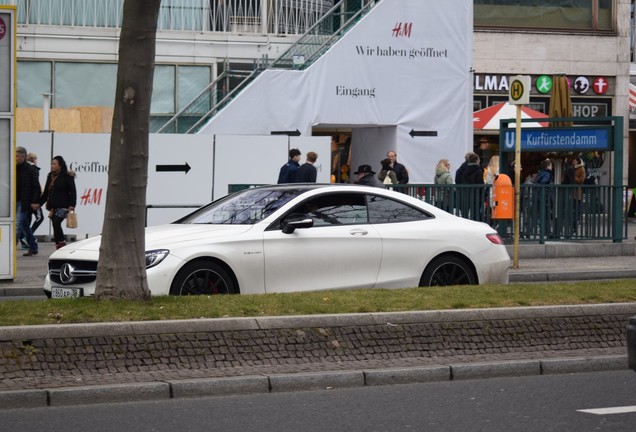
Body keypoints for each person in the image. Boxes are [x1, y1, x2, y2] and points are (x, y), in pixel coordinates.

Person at [40, 155, 77, 250]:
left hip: (64, 206)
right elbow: (46, 193)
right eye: (51, 164)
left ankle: (61, 243)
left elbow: (73, 192)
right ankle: (59, 245)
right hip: (53, 207)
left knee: (56, 222)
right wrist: (39, 203)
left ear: (60, 165)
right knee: (55, 224)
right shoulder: (50, 175)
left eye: (54, 164)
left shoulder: (67, 176)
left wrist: (72, 205)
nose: (52, 166)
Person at [15, 147, 41, 256]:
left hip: (24, 201)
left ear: (23, 156)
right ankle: (33, 246)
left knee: (17, 225)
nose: (15, 158)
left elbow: (36, 187)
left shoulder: (30, 169)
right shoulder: (12, 168)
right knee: (24, 225)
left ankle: (9, 249)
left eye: (17, 156)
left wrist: (35, 201)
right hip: (14, 200)